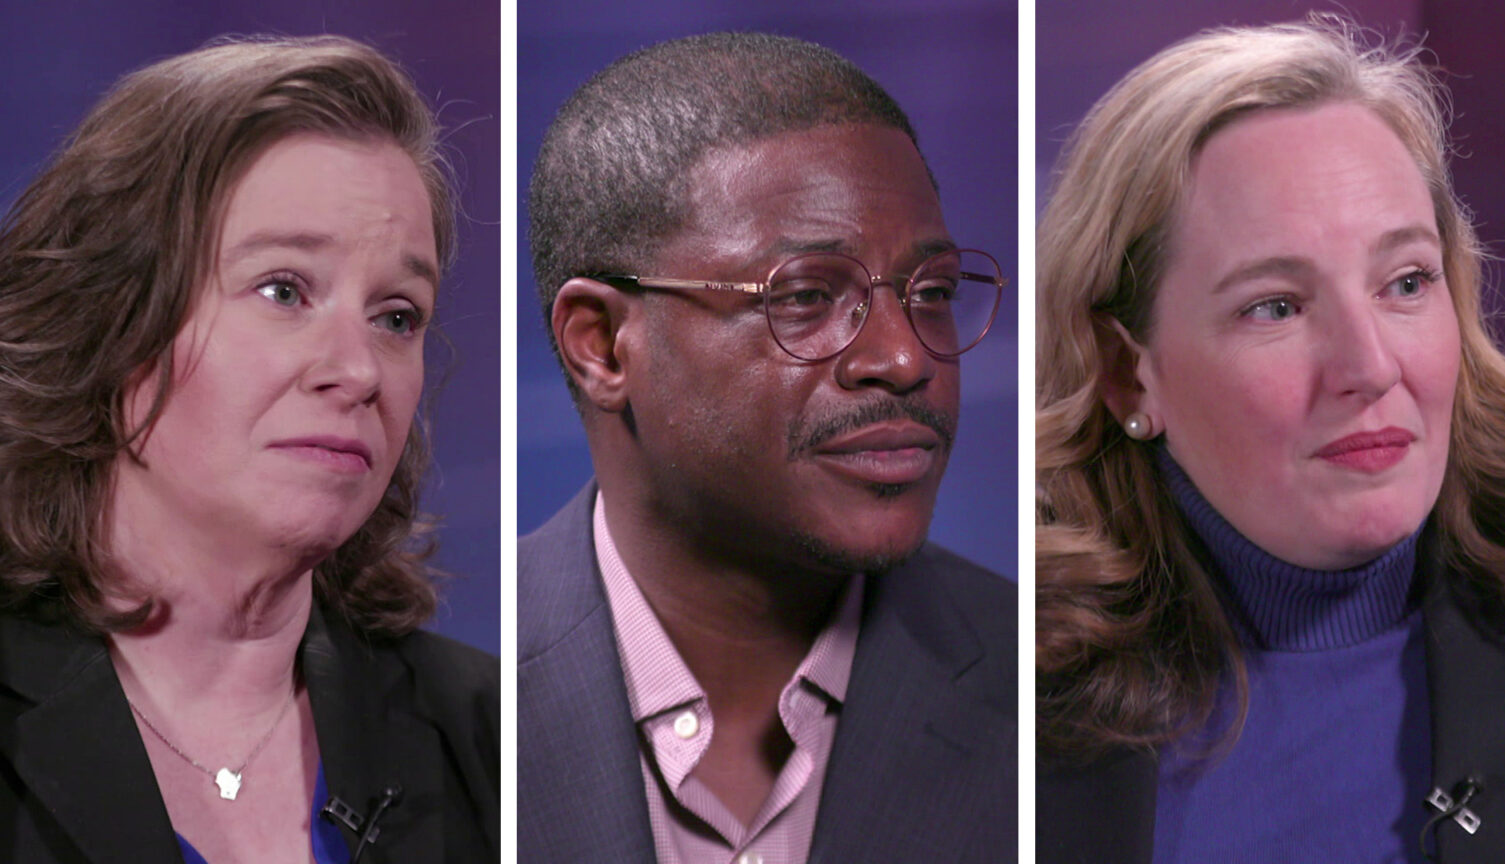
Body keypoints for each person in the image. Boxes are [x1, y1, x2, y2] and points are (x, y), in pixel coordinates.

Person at [1036, 17, 1505, 864]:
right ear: (1127, 373)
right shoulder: (1003, 705)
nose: (1369, 367)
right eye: (1276, 306)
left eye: (1406, 282)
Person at [519, 32, 1017, 863]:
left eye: (930, 294)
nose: (902, 358)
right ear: (602, 345)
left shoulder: (1055, 692)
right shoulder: (453, 704)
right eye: (808, 296)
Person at [0, 36, 497, 863]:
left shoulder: (492, 739)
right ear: (113, 320)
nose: (357, 370)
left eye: (397, 316)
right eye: (284, 290)